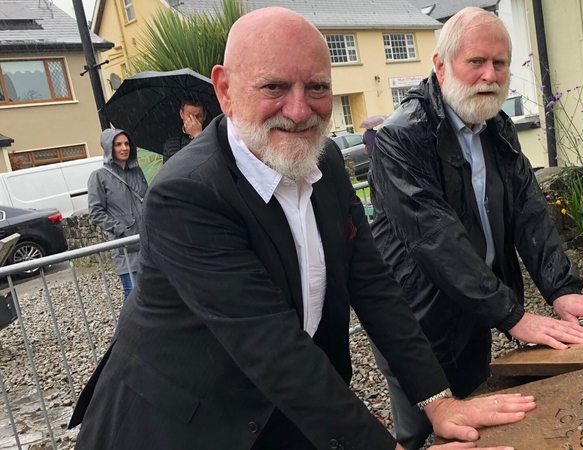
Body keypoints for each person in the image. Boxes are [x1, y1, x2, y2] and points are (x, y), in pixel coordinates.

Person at [68, 7, 535, 450]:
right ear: (225, 89)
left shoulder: (325, 162)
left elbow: (374, 287)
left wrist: (438, 401)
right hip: (180, 427)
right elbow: (270, 345)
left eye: (317, 87)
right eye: (274, 87)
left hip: (285, 414)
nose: (298, 110)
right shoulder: (187, 194)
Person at [367, 7, 583, 449]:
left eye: (500, 63)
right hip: (416, 319)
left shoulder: (494, 125)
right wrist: (513, 315)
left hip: (475, 308)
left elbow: (529, 210)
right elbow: (435, 237)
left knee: (481, 414)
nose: (490, 75)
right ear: (441, 65)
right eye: (476, 61)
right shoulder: (401, 137)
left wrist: (561, 289)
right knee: (423, 431)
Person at [87, 129, 148, 302]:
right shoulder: (99, 177)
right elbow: (95, 211)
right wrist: (120, 229)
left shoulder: (137, 172)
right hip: (125, 248)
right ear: (109, 148)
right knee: (133, 297)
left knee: (152, 294)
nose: (124, 148)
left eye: (127, 143)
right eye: (118, 144)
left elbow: (147, 199)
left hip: (146, 242)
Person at [162, 97, 207, 163]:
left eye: (198, 116)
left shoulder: (215, 137)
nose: (193, 120)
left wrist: (198, 135)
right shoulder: (170, 144)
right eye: (189, 115)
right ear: (181, 114)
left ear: (204, 116)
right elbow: (167, 169)